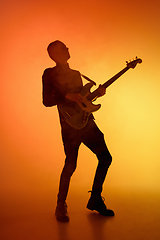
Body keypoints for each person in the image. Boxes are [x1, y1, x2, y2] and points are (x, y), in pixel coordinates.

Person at [42, 40, 114, 222]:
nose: (67, 49)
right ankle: (60, 204)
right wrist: (66, 95)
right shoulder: (49, 74)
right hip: (69, 126)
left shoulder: (76, 74)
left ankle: (96, 199)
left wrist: (97, 94)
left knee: (105, 158)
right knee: (71, 165)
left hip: (87, 122)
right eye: (63, 48)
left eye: (66, 47)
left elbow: (82, 100)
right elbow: (46, 100)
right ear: (55, 55)